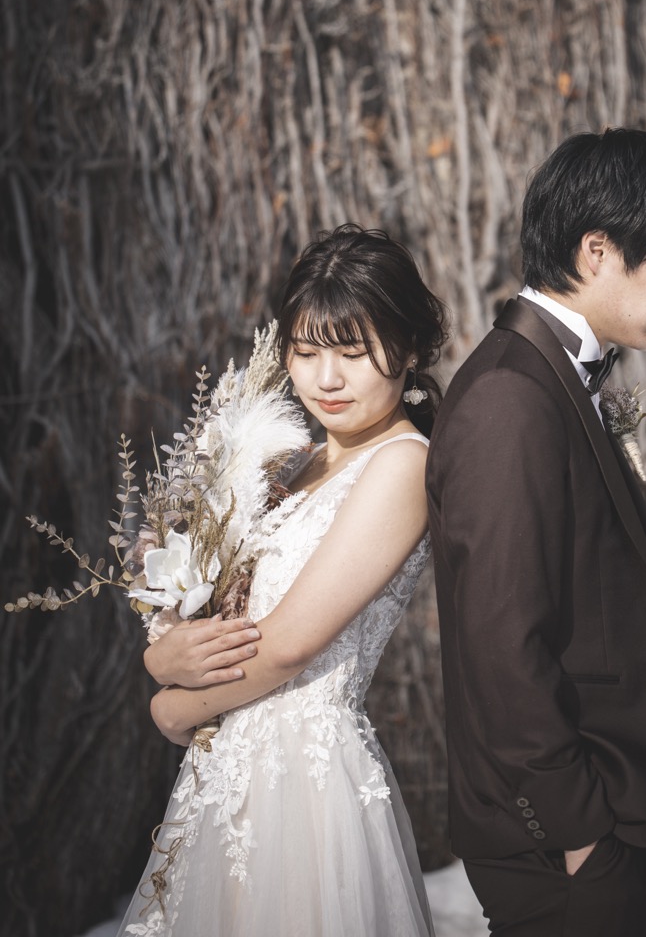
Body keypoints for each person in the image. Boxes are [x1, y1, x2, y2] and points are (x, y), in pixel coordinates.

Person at [426, 129, 646, 937]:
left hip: (599, 824)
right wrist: (578, 829)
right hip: (562, 843)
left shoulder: (548, 379)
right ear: (597, 251)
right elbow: (500, 644)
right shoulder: (508, 398)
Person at [119, 224, 448, 937]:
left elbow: (292, 642)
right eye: (306, 351)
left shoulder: (402, 464)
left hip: (302, 777)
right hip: (231, 767)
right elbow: (228, 607)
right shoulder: (294, 462)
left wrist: (175, 707)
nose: (326, 379)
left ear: (410, 350)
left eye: (353, 354)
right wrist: (162, 651)